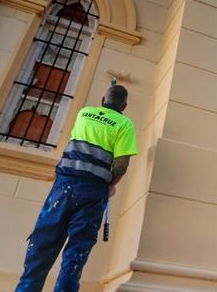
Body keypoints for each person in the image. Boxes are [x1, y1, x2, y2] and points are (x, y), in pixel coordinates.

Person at [16, 85, 138, 292]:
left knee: (42, 246)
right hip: (93, 193)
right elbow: (121, 165)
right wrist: (111, 185)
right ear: (124, 106)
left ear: (102, 99)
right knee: (75, 255)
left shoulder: (84, 113)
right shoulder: (125, 124)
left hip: (64, 186)